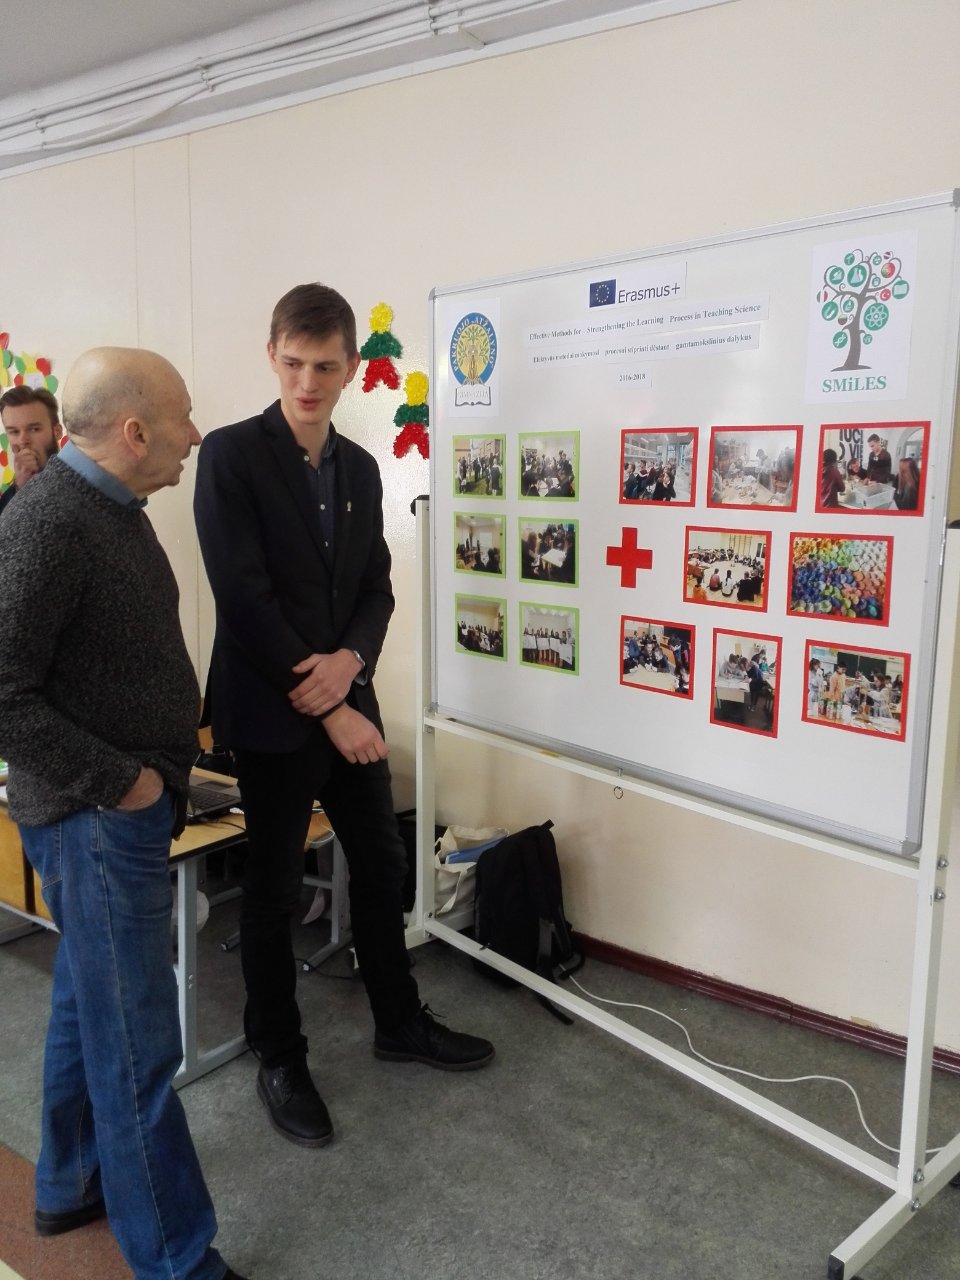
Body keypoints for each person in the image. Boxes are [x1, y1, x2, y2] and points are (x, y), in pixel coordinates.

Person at [194, 284, 494, 1149]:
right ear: (272, 355)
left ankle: (398, 1021)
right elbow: (243, 600)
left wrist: (352, 663)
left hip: (343, 693)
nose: (308, 383)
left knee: (381, 859)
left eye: (325, 367)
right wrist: (331, 708)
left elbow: (375, 591)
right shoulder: (231, 456)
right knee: (274, 890)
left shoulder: (361, 469)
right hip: (272, 710)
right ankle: (279, 1055)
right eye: (293, 363)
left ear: (353, 368)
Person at [0, 348, 247, 1280]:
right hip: (95, 818)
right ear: (136, 431)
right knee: (136, 1045)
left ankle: (68, 1183)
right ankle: (175, 1262)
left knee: (86, 1005)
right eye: (183, 416)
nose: (195, 432)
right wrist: (125, 782)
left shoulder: (111, 510)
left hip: (116, 812)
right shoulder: (49, 523)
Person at [0, 385, 64, 515]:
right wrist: (21, 487)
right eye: (14, 432)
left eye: (34, 429)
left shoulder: (79, 482)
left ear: (57, 431)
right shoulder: (11, 494)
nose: (23, 441)